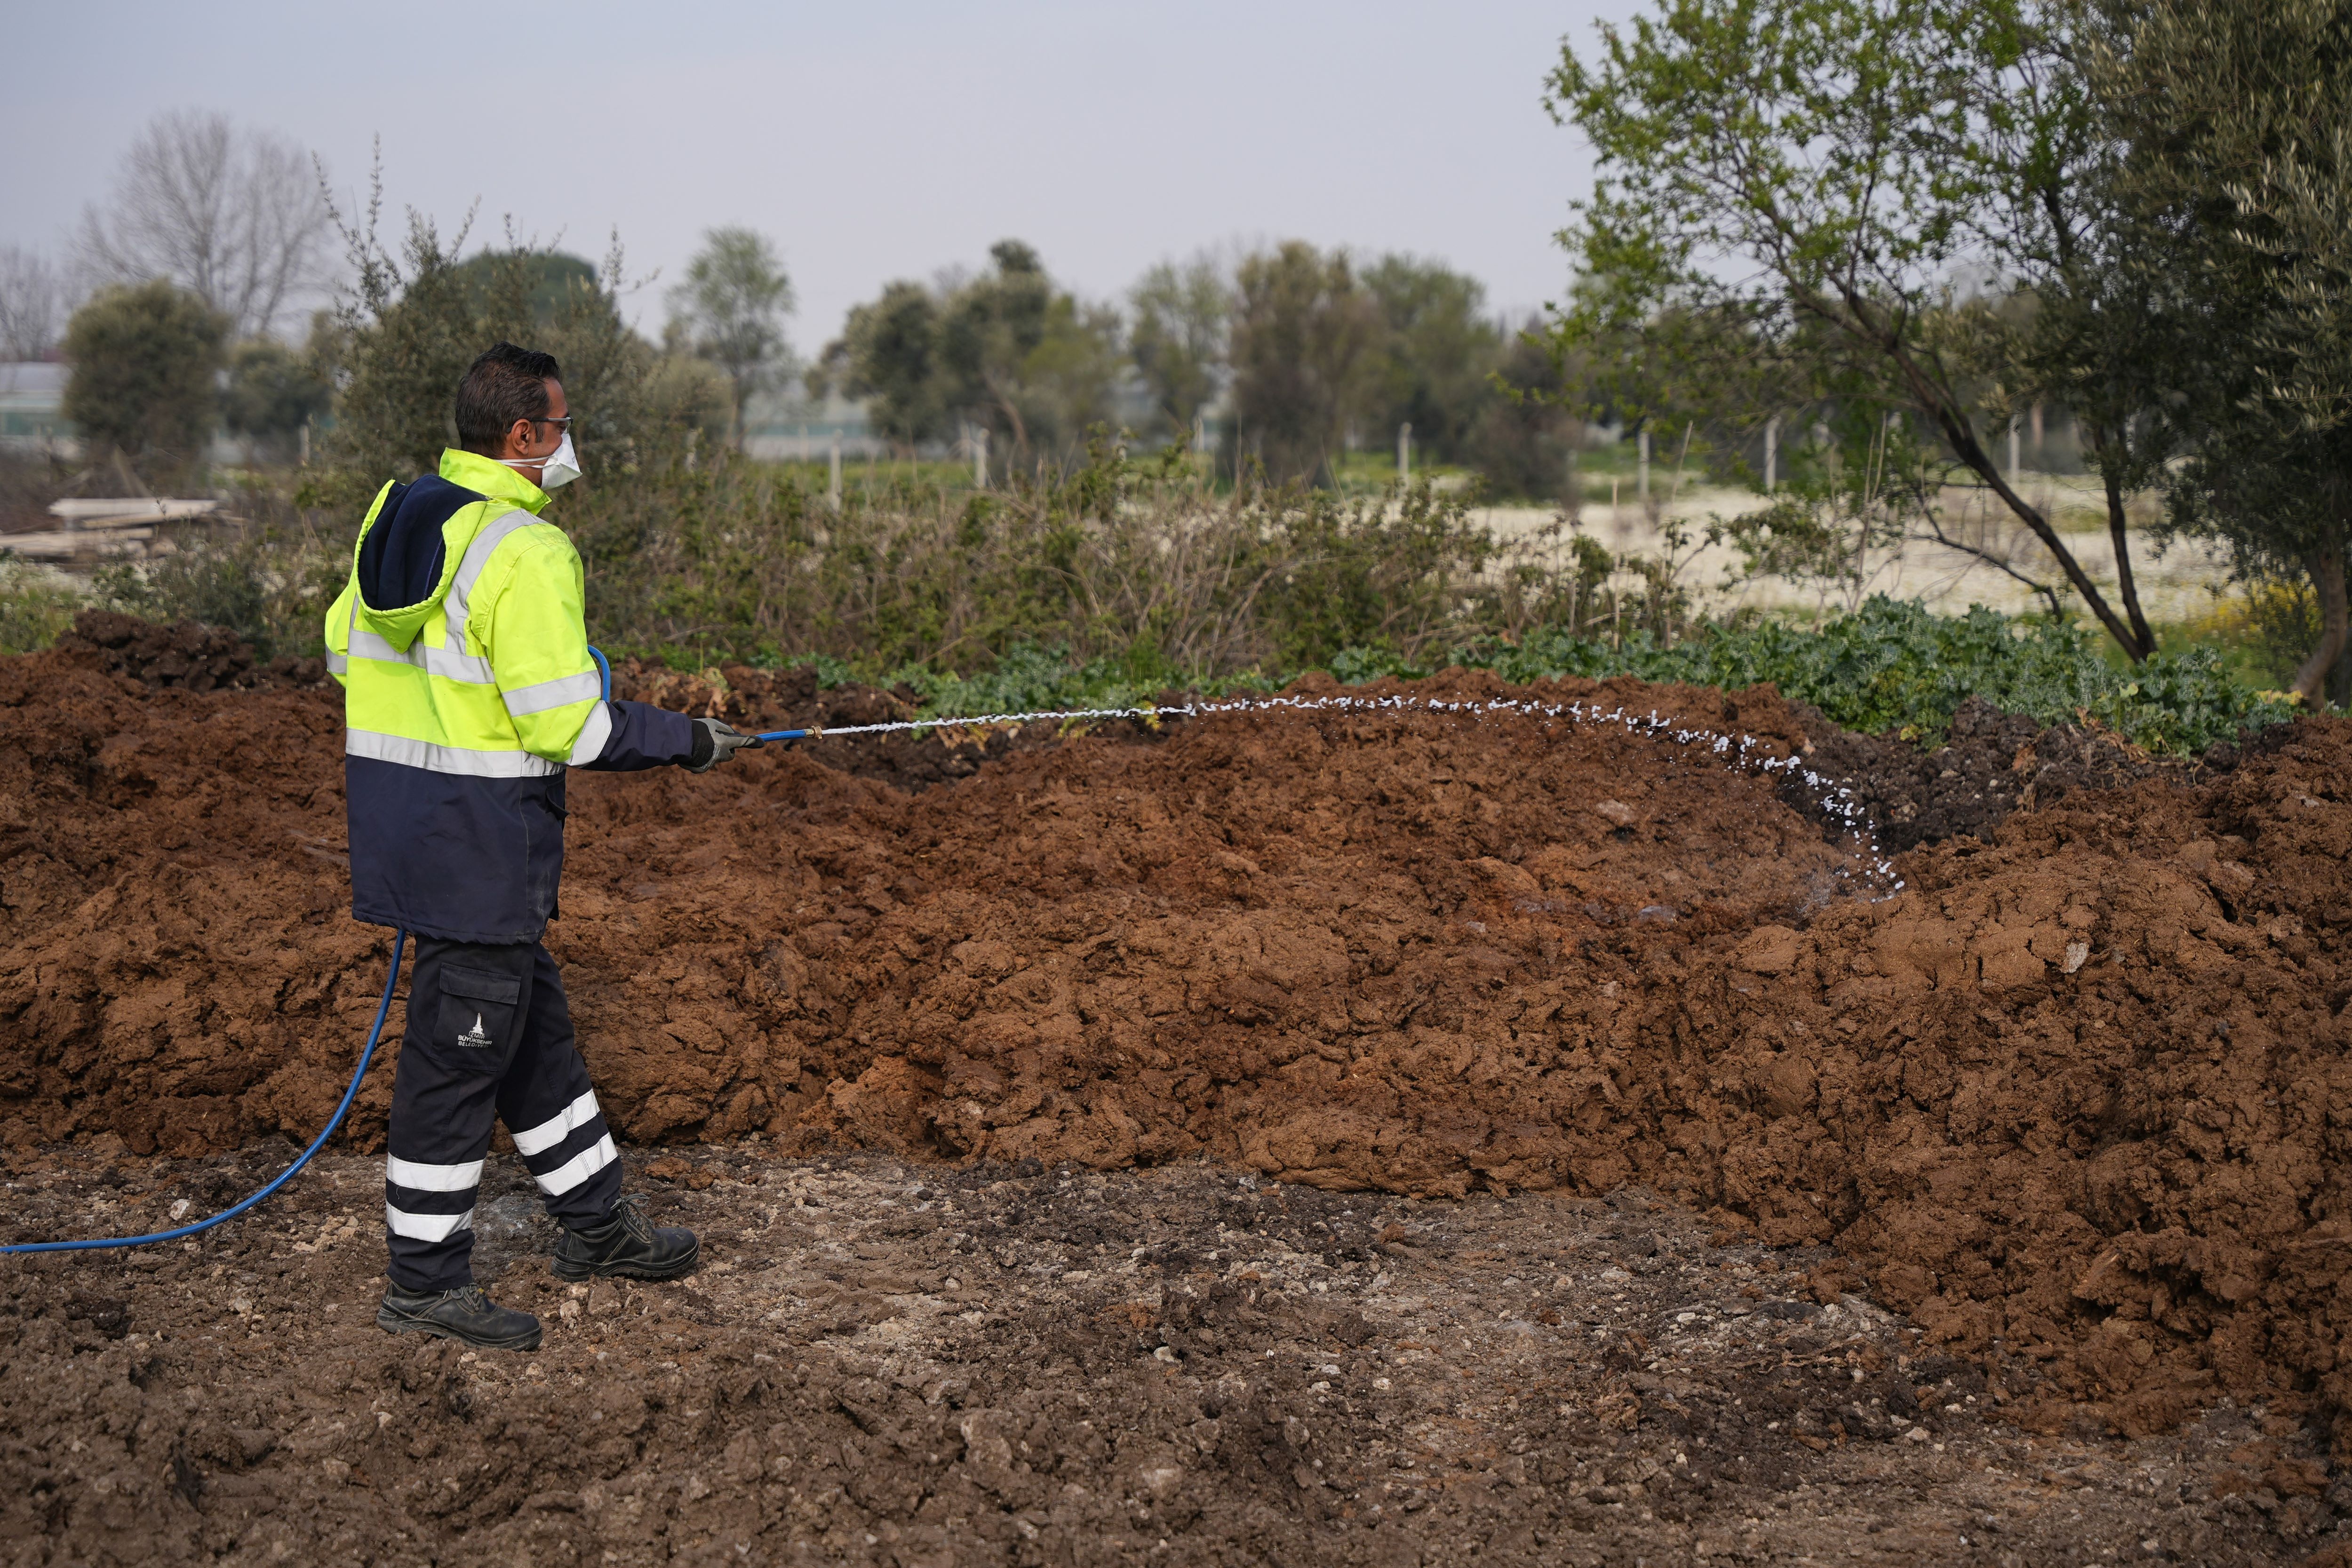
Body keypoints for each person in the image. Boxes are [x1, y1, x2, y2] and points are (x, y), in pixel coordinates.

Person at [323, 342, 756, 1352]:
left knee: (532, 1037)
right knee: (452, 1069)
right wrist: (688, 741)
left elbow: (347, 649)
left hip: (415, 834)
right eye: (561, 428)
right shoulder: (523, 550)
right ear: (522, 436)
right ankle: (423, 1283)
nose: (569, 445)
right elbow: (574, 727)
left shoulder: (400, 516)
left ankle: (596, 1226)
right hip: (482, 850)